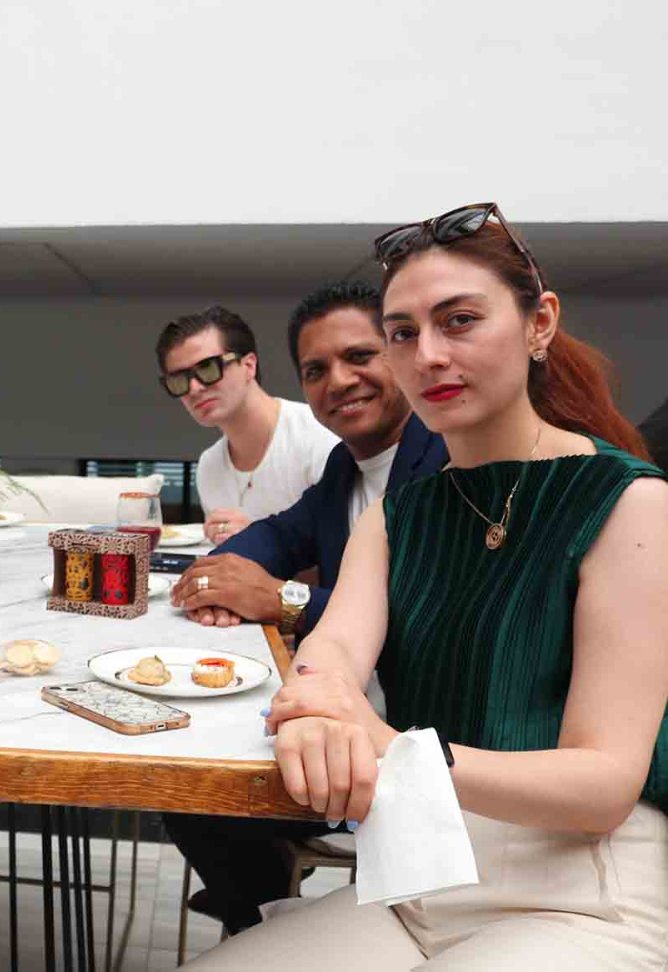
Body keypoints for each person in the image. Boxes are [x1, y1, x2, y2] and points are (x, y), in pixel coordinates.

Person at [187, 205, 667, 970]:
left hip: (583, 892)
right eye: (404, 333)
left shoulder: (629, 503)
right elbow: (333, 654)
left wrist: (390, 746)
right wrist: (314, 706)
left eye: (460, 321)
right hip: (419, 877)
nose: (429, 355)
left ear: (540, 323)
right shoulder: (399, 514)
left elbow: (605, 783)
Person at [161, 281, 447, 933]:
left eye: (359, 356)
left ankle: (259, 917)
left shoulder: (442, 462)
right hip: (335, 715)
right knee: (185, 772)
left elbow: (415, 622)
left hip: (408, 748)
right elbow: (276, 535)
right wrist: (213, 581)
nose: (338, 381)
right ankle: (260, 909)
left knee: (198, 787)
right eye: (316, 370)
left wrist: (278, 598)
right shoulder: (346, 469)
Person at [157, 305, 338, 544]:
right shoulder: (209, 467)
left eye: (208, 368)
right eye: (179, 379)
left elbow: (344, 553)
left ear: (249, 366)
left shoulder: (319, 438)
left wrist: (260, 538)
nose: (194, 388)